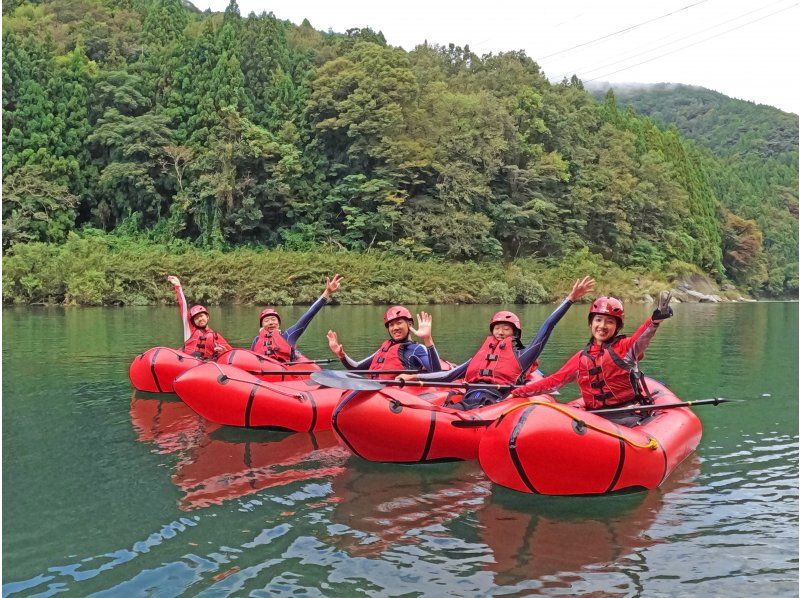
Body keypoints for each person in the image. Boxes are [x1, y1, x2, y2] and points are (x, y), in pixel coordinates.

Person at [397, 277, 596, 411]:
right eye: (497, 328)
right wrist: (413, 376)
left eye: (506, 329)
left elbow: (547, 327)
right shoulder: (481, 355)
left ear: (515, 334)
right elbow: (448, 375)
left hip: (494, 404)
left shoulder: (523, 356)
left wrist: (569, 299)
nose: (500, 332)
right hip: (467, 401)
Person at [509, 291, 674, 426]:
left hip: (627, 417)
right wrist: (516, 393)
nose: (602, 326)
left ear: (617, 327)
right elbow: (553, 382)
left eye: (609, 322)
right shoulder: (581, 358)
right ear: (591, 323)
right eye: (598, 320)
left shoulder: (625, 348)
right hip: (593, 419)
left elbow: (641, 336)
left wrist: (655, 320)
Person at [326, 306, 443, 379]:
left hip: (400, 401)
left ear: (410, 324)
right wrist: (341, 354)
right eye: (391, 325)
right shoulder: (385, 348)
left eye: (399, 322)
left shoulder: (417, 349)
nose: (395, 328)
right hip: (379, 396)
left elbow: (437, 373)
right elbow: (357, 368)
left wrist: (427, 338)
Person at [252, 274, 344, 362]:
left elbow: (309, 315)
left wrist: (327, 292)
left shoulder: (288, 335)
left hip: (286, 371)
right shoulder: (257, 340)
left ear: (278, 324)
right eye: (266, 321)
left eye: (273, 319)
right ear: (262, 326)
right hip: (261, 372)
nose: (271, 322)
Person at [167, 275, 232, 360]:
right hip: (187, 363)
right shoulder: (190, 329)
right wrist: (178, 286)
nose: (200, 319)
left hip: (206, 366)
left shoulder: (215, 336)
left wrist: (223, 351)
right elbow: (183, 306)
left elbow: (231, 352)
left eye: (201, 316)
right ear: (193, 322)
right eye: (196, 318)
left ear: (207, 317)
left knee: (211, 338)